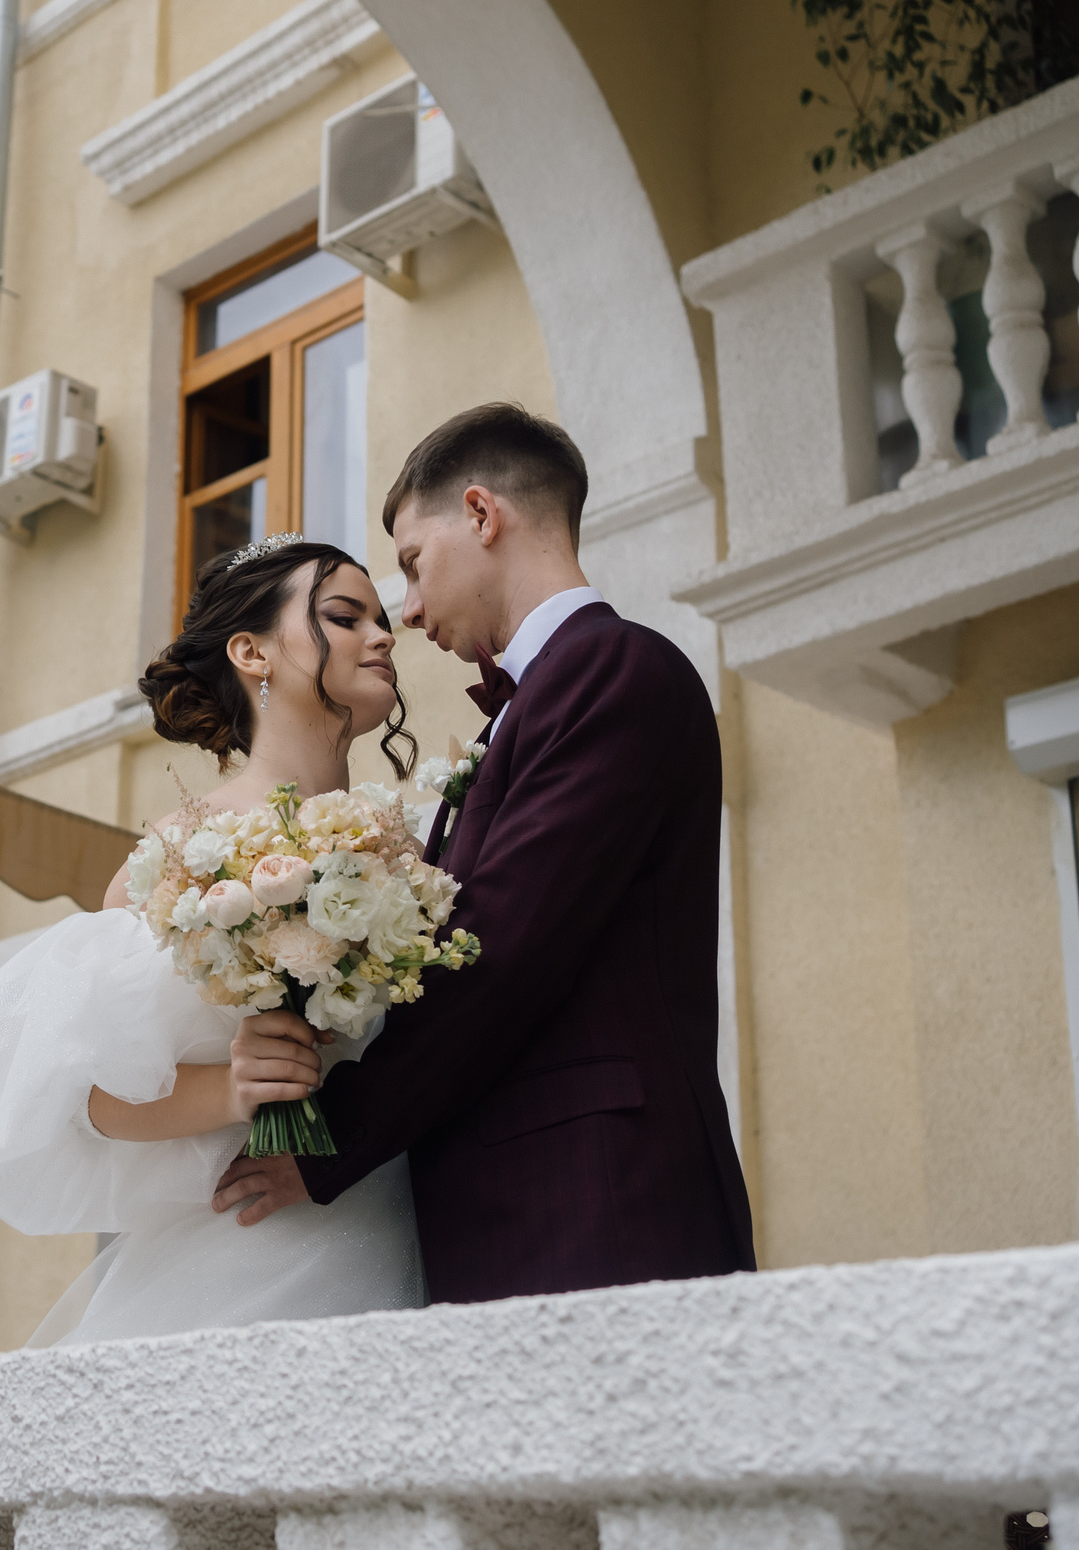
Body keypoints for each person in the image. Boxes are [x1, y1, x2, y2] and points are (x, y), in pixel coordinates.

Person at [210, 402, 755, 1302]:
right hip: (526, 1212)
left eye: (414, 566)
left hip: (600, 1206)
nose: (410, 610)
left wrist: (330, 1139)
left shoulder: (613, 670)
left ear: (480, 512)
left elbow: (503, 949)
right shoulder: (541, 700)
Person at [0, 536, 429, 1345]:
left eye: (380, 615)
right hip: (252, 1246)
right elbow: (90, 1094)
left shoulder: (417, 846)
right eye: (344, 614)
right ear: (250, 651)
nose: (383, 634)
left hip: (413, 1223)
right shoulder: (178, 857)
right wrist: (234, 1086)